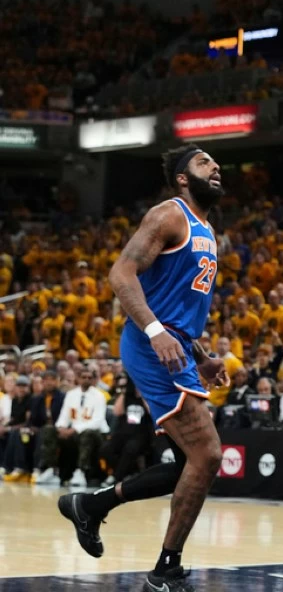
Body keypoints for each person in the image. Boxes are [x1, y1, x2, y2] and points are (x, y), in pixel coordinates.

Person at [58, 145, 230, 592]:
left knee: (188, 465)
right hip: (149, 346)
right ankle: (164, 571)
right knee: (208, 455)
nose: (215, 167)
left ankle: (90, 506)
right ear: (182, 178)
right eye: (203, 162)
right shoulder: (168, 215)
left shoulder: (208, 229)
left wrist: (201, 357)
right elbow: (121, 275)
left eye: (215, 162)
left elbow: (175, 309)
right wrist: (154, 332)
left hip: (175, 348)